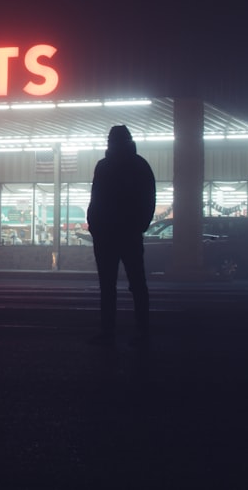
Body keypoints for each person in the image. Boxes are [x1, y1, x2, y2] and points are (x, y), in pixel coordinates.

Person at [86, 125, 156, 347]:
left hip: (107, 234)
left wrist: (95, 226)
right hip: (128, 233)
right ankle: (142, 330)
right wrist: (140, 225)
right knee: (137, 283)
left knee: (108, 286)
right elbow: (149, 199)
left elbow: (96, 198)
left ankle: (109, 330)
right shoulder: (140, 166)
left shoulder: (104, 166)